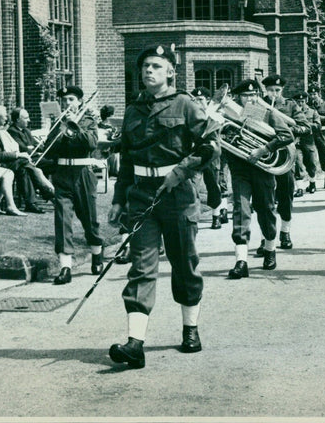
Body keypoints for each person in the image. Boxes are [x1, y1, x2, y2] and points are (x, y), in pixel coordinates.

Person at [107, 44, 219, 368]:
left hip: (178, 193)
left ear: (170, 71)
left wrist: (181, 171)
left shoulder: (186, 104)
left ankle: (190, 329)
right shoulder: (132, 110)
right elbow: (127, 158)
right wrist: (118, 198)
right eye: (145, 67)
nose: (148, 71)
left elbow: (211, 144)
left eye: (156, 66)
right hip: (142, 195)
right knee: (141, 267)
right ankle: (134, 344)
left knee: (184, 264)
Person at [226, 80, 294, 279]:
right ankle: (241, 260)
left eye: (254, 94)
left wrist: (264, 149)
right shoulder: (229, 113)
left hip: (262, 169)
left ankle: (270, 249)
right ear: (237, 97)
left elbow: (286, 135)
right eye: (246, 96)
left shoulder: (266, 112)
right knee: (241, 210)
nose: (251, 98)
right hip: (240, 169)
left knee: (266, 208)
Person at [40, 85, 104, 284]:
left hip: (83, 173)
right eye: (64, 100)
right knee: (62, 219)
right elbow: (48, 150)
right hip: (62, 175)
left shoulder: (89, 121)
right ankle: (65, 266)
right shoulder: (57, 123)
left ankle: (97, 253)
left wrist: (75, 129)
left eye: (71, 100)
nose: (67, 103)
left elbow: (92, 144)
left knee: (89, 219)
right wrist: (60, 132)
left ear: (79, 102)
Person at [260, 74, 310, 250]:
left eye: (277, 90)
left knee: (285, 194)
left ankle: (285, 231)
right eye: (271, 90)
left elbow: (306, 127)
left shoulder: (290, 105)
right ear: (265, 89)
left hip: (285, 157)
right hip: (264, 155)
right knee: (264, 199)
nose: (274, 94)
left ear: (282, 90)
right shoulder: (258, 104)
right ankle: (266, 237)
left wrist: (288, 130)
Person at [0, 104, 54, 214]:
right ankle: (48, 191)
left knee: (23, 168)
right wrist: (18, 155)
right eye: (5, 116)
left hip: (8, 162)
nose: (7, 118)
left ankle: (31, 203)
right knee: (24, 162)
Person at [191, 86, 225, 229]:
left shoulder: (216, 114)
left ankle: (216, 216)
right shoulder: (191, 115)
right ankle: (193, 218)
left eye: (201, 99)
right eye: (195, 100)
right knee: (193, 188)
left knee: (213, 186)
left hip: (212, 155)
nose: (198, 102)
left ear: (208, 100)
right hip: (195, 154)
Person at [308, 85, 325, 189]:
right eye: (311, 94)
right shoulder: (307, 106)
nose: (313, 96)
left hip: (322, 134)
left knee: (324, 157)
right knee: (311, 159)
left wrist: (319, 117)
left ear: (319, 94)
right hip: (310, 134)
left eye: (314, 94)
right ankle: (312, 183)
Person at [293, 92, 321, 195]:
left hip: (309, 141)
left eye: (302, 101)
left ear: (306, 101)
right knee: (297, 163)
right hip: (296, 141)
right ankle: (300, 188)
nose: (300, 103)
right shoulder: (292, 112)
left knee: (311, 163)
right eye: (298, 102)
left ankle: (312, 184)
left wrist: (304, 126)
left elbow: (318, 125)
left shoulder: (312, 112)